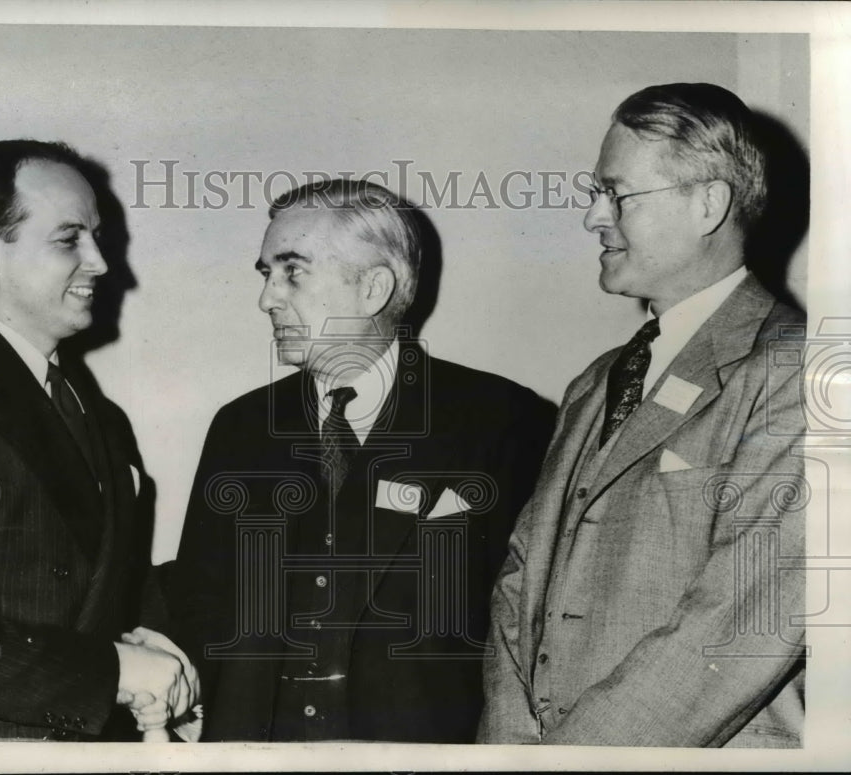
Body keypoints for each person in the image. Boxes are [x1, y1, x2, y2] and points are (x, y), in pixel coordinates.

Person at [165, 179, 555, 742]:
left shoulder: (503, 420)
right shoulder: (240, 427)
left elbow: (525, 620)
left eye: (292, 271)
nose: (267, 298)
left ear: (374, 288)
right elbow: (200, 602)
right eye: (265, 273)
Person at [479, 83, 806, 747]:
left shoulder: (801, 370)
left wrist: (569, 762)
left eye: (617, 194)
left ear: (709, 203)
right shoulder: (594, 384)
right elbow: (519, 581)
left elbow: (745, 618)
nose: (593, 218)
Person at [0, 140, 195, 741]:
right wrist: (119, 670)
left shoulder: (100, 417)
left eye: (96, 236)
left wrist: (174, 665)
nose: (101, 262)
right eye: (69, 238)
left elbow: (111, 593)